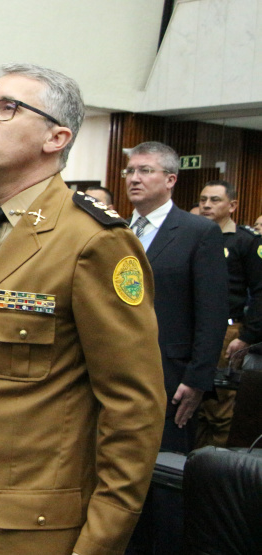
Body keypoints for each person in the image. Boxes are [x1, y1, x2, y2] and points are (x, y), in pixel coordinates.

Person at [0, 63, 165, 555]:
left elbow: (133, 407)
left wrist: (100, 542)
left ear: (56, 138)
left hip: (33, 531)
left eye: (8, 108)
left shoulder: (94, 240)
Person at [124, 141, 228, 554]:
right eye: (130, 171)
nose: (134, 178)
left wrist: (198, 377)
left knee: (161, 477)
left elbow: (212, 311)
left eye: (145, 171)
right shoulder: (114, 230)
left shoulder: (197, 232)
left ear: (170, 180)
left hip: (170, 375)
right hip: (113, 370)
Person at [194, 180, 262, 448]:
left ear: (232, 205)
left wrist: (247, 336)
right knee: (194, 404)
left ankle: (215, 467)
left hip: (228, 330)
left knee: (220, 406)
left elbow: (259, 292)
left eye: (214, 200)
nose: (207, 205)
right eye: (203, 200)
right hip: (196, 328)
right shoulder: (195, 235)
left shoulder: (246, 242)